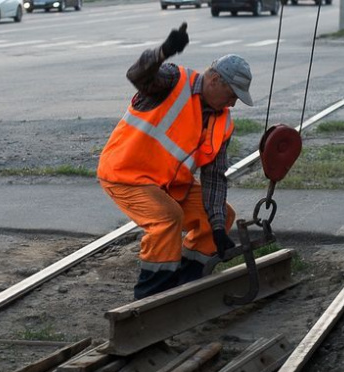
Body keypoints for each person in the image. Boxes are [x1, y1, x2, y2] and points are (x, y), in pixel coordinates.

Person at [97, 22, 254, 300]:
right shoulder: (173, 81)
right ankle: (150, 298)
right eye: (232, 95)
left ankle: (185, 284)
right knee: (167, 220)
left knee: (221, 214)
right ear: (215, 80)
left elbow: (214, 178)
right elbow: (138, 75)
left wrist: (217, 228)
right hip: (126, 175)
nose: (233, 105)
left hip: (168, 186)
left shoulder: (223, 122)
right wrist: (164, 51)